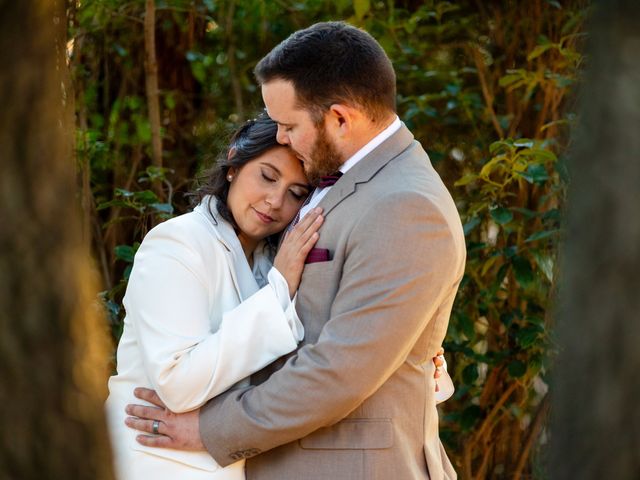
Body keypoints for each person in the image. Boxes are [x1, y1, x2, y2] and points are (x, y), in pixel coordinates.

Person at [126, 21, 464, 480]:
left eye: (289, 125)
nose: (280, 137)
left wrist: (210, 430)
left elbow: (339, 371)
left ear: (341, 118)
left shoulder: (405, 206)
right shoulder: (339, 188)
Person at [105, 115, 325, 479]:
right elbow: (178, 384)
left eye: (295, 193)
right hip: (154, 462)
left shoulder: (272, 262)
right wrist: (279, 290)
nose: (274, 201)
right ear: (233, 165)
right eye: (267, 176)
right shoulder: (177, 243)